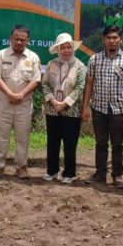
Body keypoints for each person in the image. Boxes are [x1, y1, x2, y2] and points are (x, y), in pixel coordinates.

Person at [81, 25, 123, 189]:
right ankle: (100, 174)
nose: (112, 41)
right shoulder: (94, 59)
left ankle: (118, 175)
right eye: (109, 38)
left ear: (121, 40)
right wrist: (85, 107)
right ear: (103, 40)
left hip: (120, 109)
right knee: (100, 143)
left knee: (118, 144)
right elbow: (89, 84)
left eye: (115, 38)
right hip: (99, 108)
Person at [0, 25, 42, 179]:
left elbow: (36, 80)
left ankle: (21, 167)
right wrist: (11, 94)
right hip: (4, 103)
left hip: (24, 105)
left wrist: (21, 95)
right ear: (11, 38)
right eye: (16, 39)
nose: (19, 42)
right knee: (1, 136)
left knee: (22, 137)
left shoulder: (33, 58)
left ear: (28, 41)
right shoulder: (1, 55)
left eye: (22, 40)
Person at [42, 32, 86, 184]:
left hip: (71, 110)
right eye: (63, 48)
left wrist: (65, 103)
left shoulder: (80, 66)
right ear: (58, 49)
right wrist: (54, 101)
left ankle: (69, 173)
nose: (66, 50)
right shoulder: (51, 64)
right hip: (52, 109)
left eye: (69, 47)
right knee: (52, 141)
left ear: (73, 48)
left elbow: (80, 88)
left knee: (70, 143)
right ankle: (52, 171)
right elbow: (45, 84)